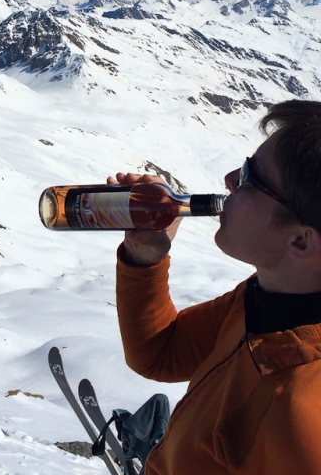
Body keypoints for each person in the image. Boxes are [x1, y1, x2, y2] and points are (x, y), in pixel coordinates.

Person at [114, 99, 321, 474]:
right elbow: (160, 353)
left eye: (250, 180)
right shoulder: (266, 297)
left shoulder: (302, 422)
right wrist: (146, 258)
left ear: (301, 242)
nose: (229, 178)